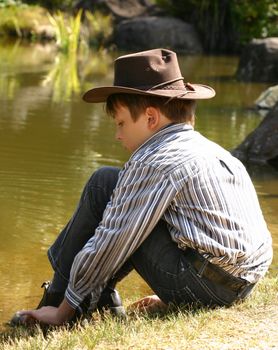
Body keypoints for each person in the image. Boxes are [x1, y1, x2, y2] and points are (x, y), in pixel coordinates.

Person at [11, 48, 273, 326]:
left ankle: (57, 306)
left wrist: (65, 308)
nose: (117, 135)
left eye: (121, 123)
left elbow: (112, 240)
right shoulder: (212, 151)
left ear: (150, 118)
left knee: (104, 187)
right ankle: (94, 299)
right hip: (241, 285)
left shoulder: (155, 159)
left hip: (206, 287)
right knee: (113, 185)